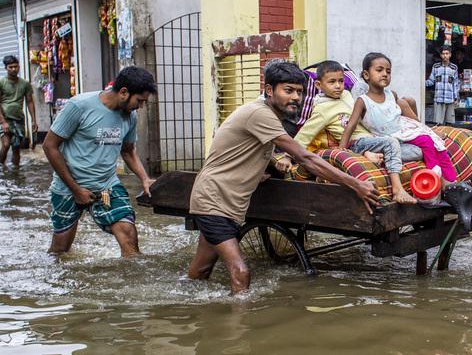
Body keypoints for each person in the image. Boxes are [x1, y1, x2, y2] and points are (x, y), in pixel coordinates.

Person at [188, 61, 379, 294]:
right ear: (269, 90)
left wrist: (259, 170)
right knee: (241, 273)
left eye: (299, 92)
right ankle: (240, 329)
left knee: (200, 273)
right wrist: (355, 184)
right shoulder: (260, 113)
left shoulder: (267, 115)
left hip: (225, 202)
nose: (296, 97)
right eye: (288, 90)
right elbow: (305, 157)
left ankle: (188, 314)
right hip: (214, 201)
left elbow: (247, 149)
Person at [42, 66, 157, 257]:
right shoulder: (79, 106)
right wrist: (76, 190)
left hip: (105, 188)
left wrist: (144, 179)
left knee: (128, 233)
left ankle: (131, 282)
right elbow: (50, 146)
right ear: (123, 92)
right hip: (68, 190)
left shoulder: (130, 116)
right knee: (60, 250)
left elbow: (128, 151)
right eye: (140, 101)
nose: (141, 106)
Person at [276, 60, 416, 204]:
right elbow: (305, 134)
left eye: (341, 81)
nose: (338, 86)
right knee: (391, 143)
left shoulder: (347, 95)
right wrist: (287, 156)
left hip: (373, 138)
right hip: (356, 143)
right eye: (332, 82)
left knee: (415, 150)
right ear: (319, 85)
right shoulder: (322, 109)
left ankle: (376, 157)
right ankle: (398, 189)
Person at [341, 52, 457, 183]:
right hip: (388, 138)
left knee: (436, 145)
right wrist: (341, 152)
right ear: (366, 75)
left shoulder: (392, 95)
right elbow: (351, 125)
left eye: (388, 71)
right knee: (426, 142)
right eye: (379, 70)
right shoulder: (363, 101)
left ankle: (452, 181)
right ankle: (436, 176)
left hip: (403, 131)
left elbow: (406, 112)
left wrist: (424, 128)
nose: (385, 74)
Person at [0, 55, 38, 166]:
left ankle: (16, 171)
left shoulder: (25, 84)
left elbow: (29, 102)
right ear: (6, 68)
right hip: (5, 118)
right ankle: (0, 167)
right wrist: (3, 121)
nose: (14, 69)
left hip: (18, 119)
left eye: (16, 66)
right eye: (10, 67)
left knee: (16, 147)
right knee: (6, 144)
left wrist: (33, 120)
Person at [425, 45, 461, 126]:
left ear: (450, 54)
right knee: (438, 124)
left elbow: (455, 84)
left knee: (449, 123)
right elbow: (431, 81)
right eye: (443, 54)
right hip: (439, 99)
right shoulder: (436, 67)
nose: (445, 56)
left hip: (450, 99)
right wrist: (420, 83)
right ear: (441, 55)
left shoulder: (454, 68)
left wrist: (456, 98)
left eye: (447, 53)